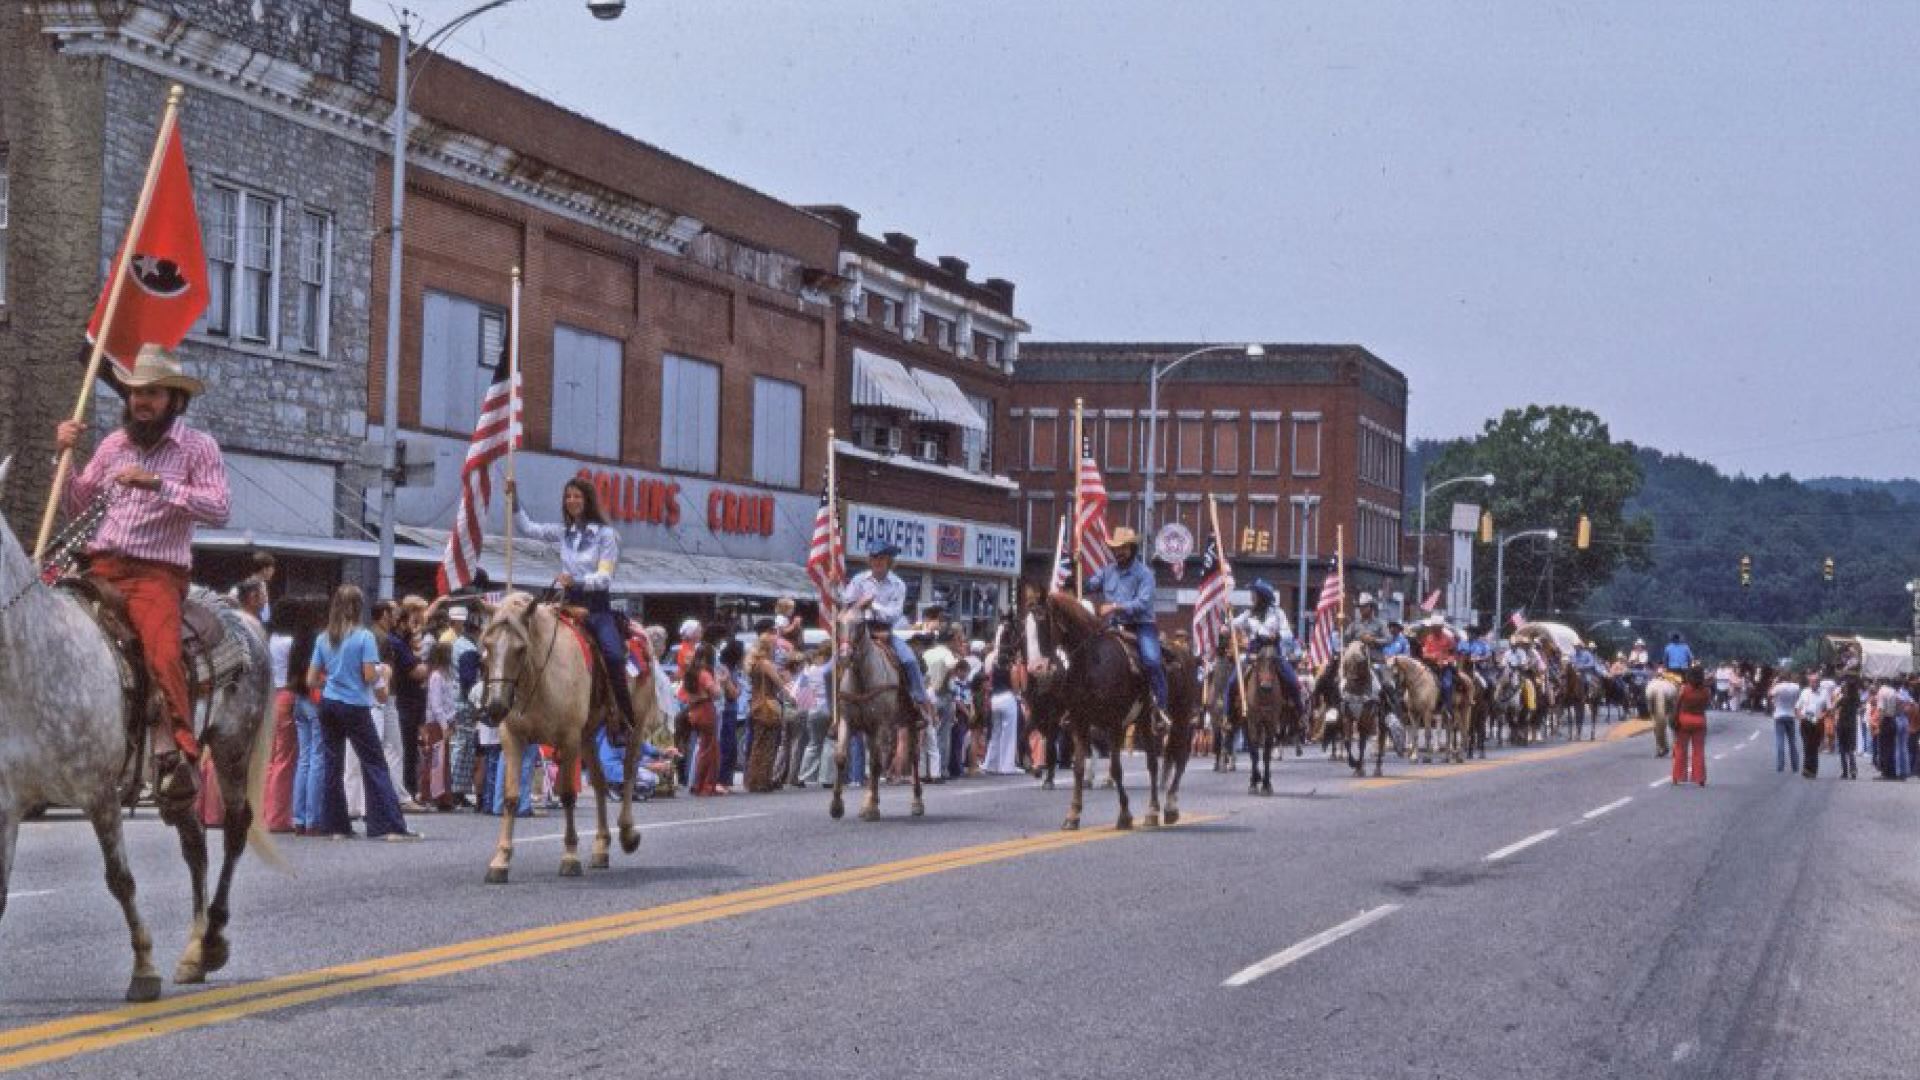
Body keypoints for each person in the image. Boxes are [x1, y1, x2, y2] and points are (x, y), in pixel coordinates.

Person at [53, 344, 230, 813]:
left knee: (163, 651)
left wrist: (159, 485)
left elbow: (220, 508)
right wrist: (67, 457)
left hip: (156, 571)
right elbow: (76, 503)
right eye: (135, 393)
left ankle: (180, 752)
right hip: (101, 564)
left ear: (175, 398)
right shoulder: (113, 445)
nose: (141, 402)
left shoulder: (198, 448)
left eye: (151, 393)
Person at [508, 476, 639, 744]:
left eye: (577, 496)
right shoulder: (563, 532)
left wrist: (576, 580)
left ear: (587, 500)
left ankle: (624, 719)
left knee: (613, 656)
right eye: (568, 496)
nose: (571, 501)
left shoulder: (606, 535)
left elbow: (604, 578)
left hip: (596, 607)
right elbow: (528, 528)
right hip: (565, 604)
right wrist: (514, 499)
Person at [307, 585, 418, 840]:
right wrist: (382, 671)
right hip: (355, 704)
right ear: (359, 608)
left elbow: (312, 679)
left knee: (332, 764)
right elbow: (369, 674)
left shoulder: (324, 637)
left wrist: (334, 681)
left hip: (329, 703)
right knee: (374, 763)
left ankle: (336, 826)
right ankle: (386, 825)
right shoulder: (364, 637)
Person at [840, 542, 932, 718]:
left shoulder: (898, 584)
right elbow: (847, 603)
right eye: (874, 558)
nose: (877, 562)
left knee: (909, 660)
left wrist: (872, 605)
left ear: (889, 561)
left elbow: (894, 614)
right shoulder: (859, 580)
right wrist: (854, 602)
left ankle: (918, 702)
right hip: (859, 630)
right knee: (834, 663)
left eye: (881, 558)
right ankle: (835, 707)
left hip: (884, 631)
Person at [1085, 528, 1168, 722]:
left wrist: (1115, 606)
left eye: (1123, 548)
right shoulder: (1107, 571)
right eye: (1115, 548)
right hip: (1113, 625)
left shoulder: (1145, 574)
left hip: (1141, 625)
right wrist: (1075, 572)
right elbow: (1089, 585)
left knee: (1152, 661)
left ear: (1132, 548)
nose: (1118, 552)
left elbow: (1143, 603)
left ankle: (1160, 706)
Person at [1231, 579, 1305, 713]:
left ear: (1262, 597)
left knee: (1293, 682)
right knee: (1232, 683)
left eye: (1254, 593)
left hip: (1274, 654)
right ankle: (1228, 717)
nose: (1251, 596)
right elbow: (1233, 624)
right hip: (1253, 654)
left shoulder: (1278, 613)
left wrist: (1277, 635)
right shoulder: (1248, 613)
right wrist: (1227, 616)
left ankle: (1300, 714)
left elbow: (1288, 633)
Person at [743, 620, 789, 792]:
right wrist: (793, 697)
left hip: (754, 704)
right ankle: (763, 780)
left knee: (756, 745)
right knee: (769, 745)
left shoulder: (753, 664)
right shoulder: (767, 664)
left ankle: (753, 780)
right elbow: (780, 685)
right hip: (768, 705)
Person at [681, 643, 723, 796]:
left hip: (693, 710)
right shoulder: (705, 673)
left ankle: (698, 783)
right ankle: (704, 785)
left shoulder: (690, 672)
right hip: (705, 708)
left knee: (701, 747)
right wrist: (719, 680)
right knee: (709, 750)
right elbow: (717, 693)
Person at [420, 640, 456, 807]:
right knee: (435, 760)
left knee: (443, 760)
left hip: (445, 721)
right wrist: (444, 725)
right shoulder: (436, 676)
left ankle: (443, 796)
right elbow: (436, 704)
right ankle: (432, 795)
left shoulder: (445, 674)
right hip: (437, 723)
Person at [921, 629, 959, 782]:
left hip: (926, 692)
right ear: (949, 641)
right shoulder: (947, 653)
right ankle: (941, 769)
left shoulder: (927, 653)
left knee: (927, 735)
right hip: (942, 694)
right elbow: (951, 667)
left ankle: (926, 771)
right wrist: (943, 682)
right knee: (943, 734)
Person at [1672, 666, 1710, 787]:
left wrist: (1675, 719)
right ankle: (1700, 778)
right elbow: (1706, 705)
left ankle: (1678, 776)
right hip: (1699, 720)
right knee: (1698, 750)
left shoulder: (1684, 689)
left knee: (1680, 749)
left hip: (1684, 720)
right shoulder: (1706, 691)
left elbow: (1677, 704)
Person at [1769, 667, 1802, 774]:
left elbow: (1770, 694)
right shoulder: (1796, 687)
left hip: (1779, 715)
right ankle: (1795, 765)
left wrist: (1774, 683)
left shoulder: (1778, 687)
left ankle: (1780, 765)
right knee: (1792, 741)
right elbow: (1798, 699)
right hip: (1791, 714)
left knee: (1780, 741)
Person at [1795, 671, 1825, 780]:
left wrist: (1822, 715)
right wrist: (1800, 715)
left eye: (1815, 682)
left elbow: (1828, 709)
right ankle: (1806, 768)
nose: (1813, 684)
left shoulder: (1824, 693)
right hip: (1806, 721)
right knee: (1806, 745)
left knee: (1814, 746)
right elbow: (1798, 707)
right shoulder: (1804, 692)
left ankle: (1813, 770)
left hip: (1817, 722)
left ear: (1819, 682)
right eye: (1811, 682)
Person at [1834, 674, 1861, 780]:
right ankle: (1853, 770)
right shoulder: (1855, 699)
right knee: (1850, 749)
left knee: (1842, 748)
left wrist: (1839, 695)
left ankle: (1845, 771)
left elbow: (1834, 707)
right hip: (1852, 725)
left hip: (1842, 725)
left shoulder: (1843, 698)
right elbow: (1860, 708)